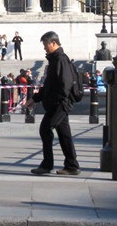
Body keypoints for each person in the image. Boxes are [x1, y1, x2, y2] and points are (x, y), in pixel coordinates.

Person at [27, 31, 80, 176]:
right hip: (58, 103)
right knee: (64, 134)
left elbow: (65, 83)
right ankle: (72, 165)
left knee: (45, 129)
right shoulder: (55, 59)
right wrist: (36, 98)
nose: (44, 48)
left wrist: (60, 102)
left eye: (45, 44)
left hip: (59, 104)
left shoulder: (60, 59)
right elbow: (49, 85)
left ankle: (47, 165)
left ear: (53, 43)